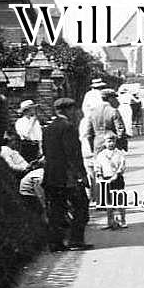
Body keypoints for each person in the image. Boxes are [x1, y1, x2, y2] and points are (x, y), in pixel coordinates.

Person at [42, 97, 93, 251]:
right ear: (67, 110)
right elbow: (73, 154)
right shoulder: (68, 127)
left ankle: (55, 243)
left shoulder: (48, 128)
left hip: (51, 176)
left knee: (56, 210)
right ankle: (76, 240)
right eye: (72, 109)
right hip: (67, 177)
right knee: (81, 206)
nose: (75, 112)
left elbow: (45, 152)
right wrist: (81, 176)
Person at [95, 132, 127, 229]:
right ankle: (110, 221)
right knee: (108, 202)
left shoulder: (119, 153)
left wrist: (118, 173)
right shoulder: (101, 155)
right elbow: (98, 166)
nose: (111, 143)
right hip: (106, 179)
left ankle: (122, 220)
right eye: (109, 141)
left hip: (117, 179)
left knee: (119, 200)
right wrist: (99, 175)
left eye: (113, 141)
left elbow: (122, 165)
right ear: (104, 143)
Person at [83, 88, 129, 155]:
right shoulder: (113, 111)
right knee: (115, 164)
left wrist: (92, 147)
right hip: (113, 145)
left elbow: (89, 133)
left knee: (99, 164)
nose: (116, 100)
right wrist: (122, 144)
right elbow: (121, 130)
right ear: (109, 98)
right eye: (114, 98)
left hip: (98, 144)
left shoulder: (93, 112)